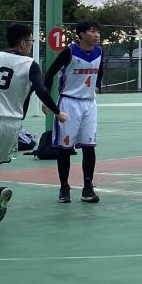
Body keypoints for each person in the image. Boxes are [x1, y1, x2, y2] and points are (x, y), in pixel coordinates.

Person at [0, 24, 67, 225]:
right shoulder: (30, 65)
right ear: (22, 42)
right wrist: (57, 111)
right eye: (31, 41)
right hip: (12, 125)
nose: (31, 45)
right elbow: (41, 90)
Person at [44, 20, 104, 204]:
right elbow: (50, 73)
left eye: (97, 31)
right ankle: (64, 187)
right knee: (65, 148)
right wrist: (46, 100)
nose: (96, 35)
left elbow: (100, 69)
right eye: (92, 31)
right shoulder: (69, 52)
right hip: (69, 103)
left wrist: (98, 85)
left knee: (89, 146)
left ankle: (87, 187)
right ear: (81, 34)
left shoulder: (99, 51)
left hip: (89, 104)